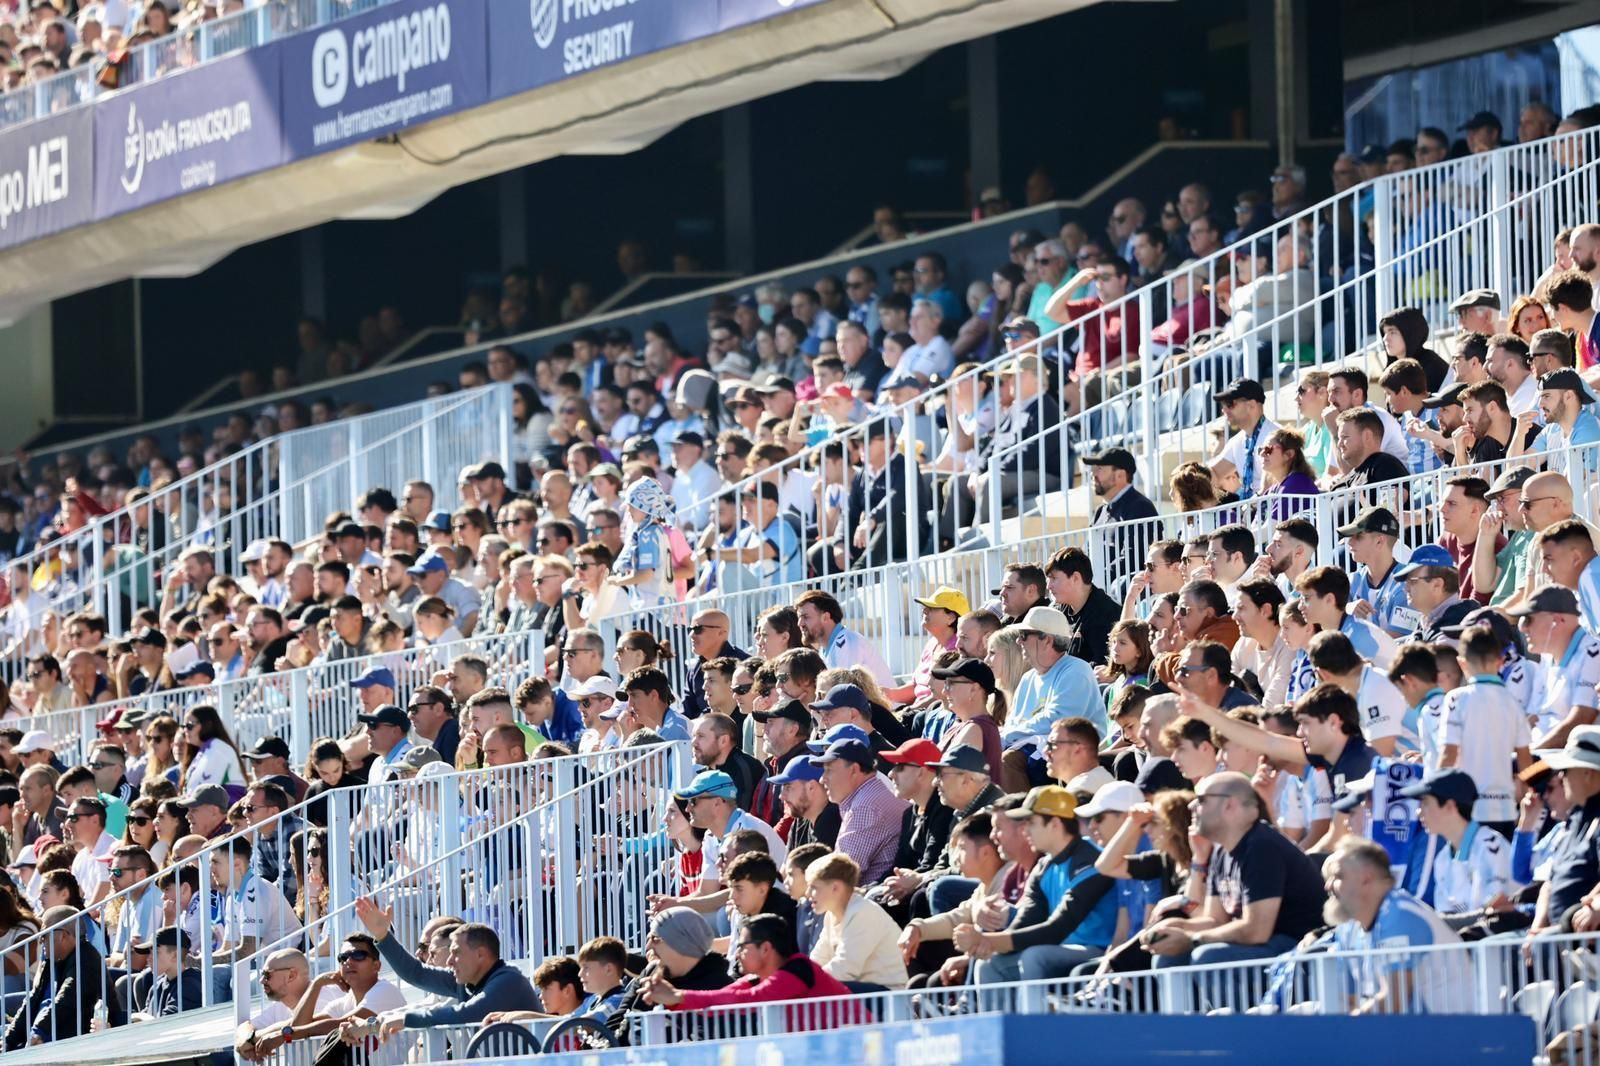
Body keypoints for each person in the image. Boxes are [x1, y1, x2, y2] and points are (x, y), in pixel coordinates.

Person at [1140, 771, 1325, 973]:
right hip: (1265, 947)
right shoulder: (1222, 850)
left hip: (1298, 952)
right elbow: (1216, 921)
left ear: (1230, 805)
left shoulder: (1262, 846)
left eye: (1201, 800)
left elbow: (1256, 931)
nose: (1192, 806)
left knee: (1209, 957)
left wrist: (1191, 939)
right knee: (1168, 957)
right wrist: (1177, 928)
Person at [961, 786, 1116, 984]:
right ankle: (998, 1015)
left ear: (1055, 824)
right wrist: (990, 945)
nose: (1025, 830)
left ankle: (1034, 1015)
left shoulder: (1090, 862)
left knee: (1035, 957)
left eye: (1031, 823)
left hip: (1098, 950)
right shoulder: (1044, 865)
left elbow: (1058, 927)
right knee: (991, 963)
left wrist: (990, 942)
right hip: (1059, 948)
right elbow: (1027, 921)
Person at [353, 897, 540, 1036]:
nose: (450, 961)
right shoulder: (466, 979)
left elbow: (465, 1014)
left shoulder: (508, 980)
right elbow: (416, 973)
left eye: (457, 952)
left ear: (481, 954)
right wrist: (382, 935)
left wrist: (407, 1019)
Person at [1327, 838, 1468, 1013]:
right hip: (1409, 1034)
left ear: (1366, 879)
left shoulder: (1399, 915)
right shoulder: (1348, 930)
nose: (1328, 886)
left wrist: (1347, 1030)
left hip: (1453, 1033)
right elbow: (1348, 1001)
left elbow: (1395, 999)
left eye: (1338, 876)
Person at [640, 913, 854, 1019]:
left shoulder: (797, 968)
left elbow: (748, 1001)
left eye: (742, 946)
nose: (737, 954)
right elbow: (719, 999)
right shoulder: (755, 979)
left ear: (766, 949)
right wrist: (674, 998)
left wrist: (678, 997)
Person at [1399, 769, 1517, 921]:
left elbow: (1497, 910)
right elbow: (1448, 914)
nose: (1418, 812)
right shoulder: (1442, 858)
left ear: (1450, 806)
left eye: (1425, 803)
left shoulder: (1490, 846)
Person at [3, 905, 103, 1049]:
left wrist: (39, 1032)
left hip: (67, 1041)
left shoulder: (86, 959)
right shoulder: (51, 960)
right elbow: (32, 1001)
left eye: (44, 935)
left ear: (62, 935)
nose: (41, 942)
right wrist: (8, 1039)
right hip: (44, 1034)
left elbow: (65, 1001)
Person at [807, 852, 909, 989]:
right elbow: (817, 960)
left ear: (835, 887)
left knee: (822, 993)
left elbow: (845, 968)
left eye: (814, 887)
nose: (808, 894)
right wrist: (799, 980)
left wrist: (806, 986)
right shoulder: (831, 915)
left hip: (887, 996)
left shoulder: (863, 912)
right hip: (862, 991)